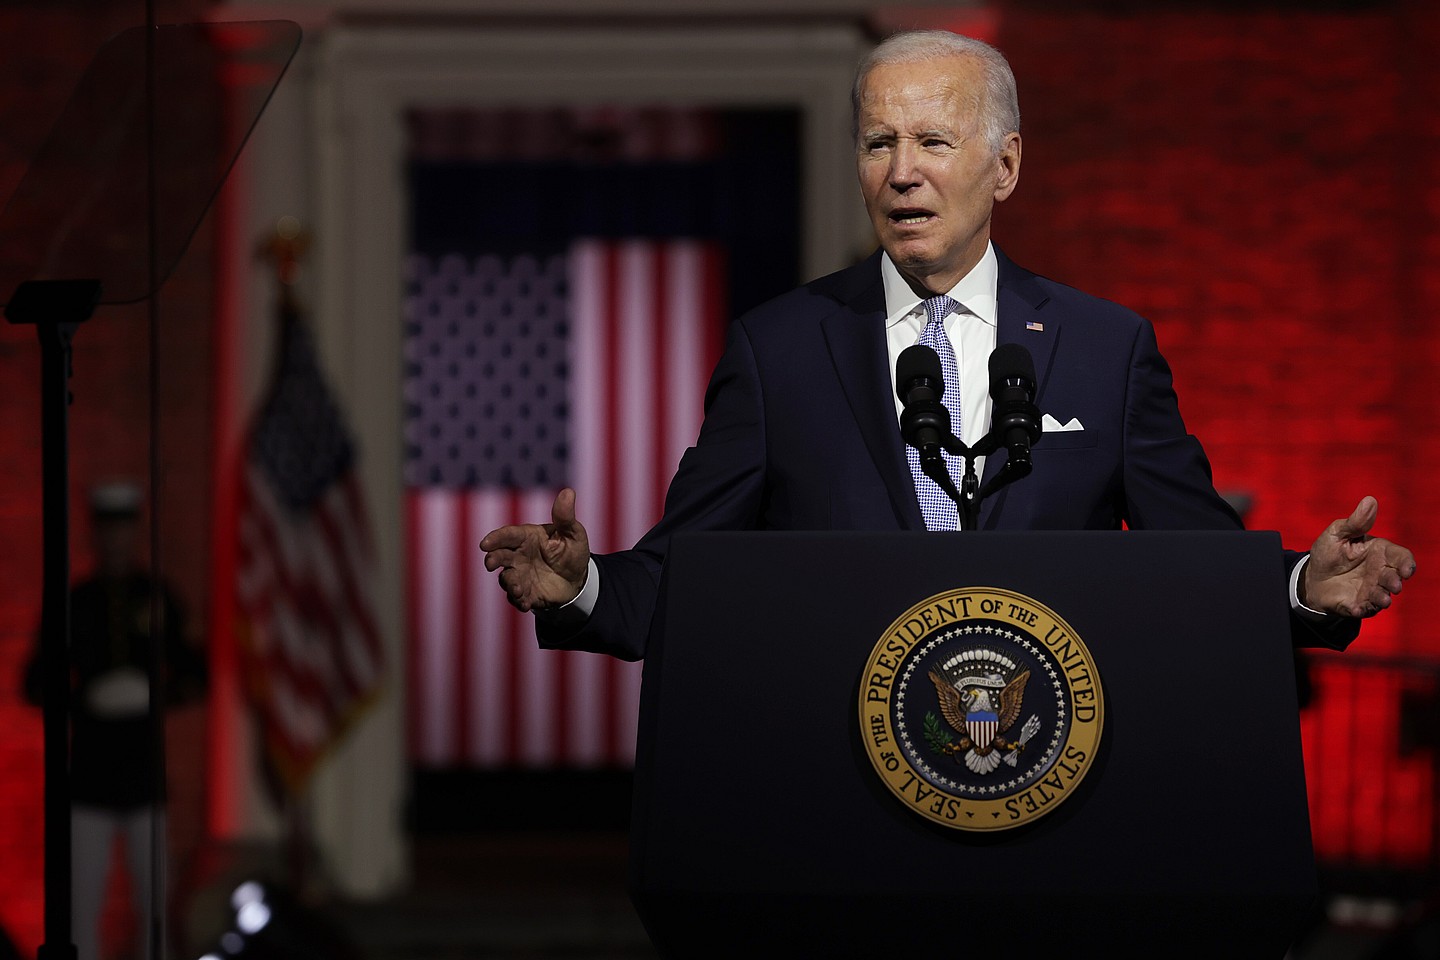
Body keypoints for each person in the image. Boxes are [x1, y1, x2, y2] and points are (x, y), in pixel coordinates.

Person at [480, 30, 1415, 662]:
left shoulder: (1105, 347)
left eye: (933, 139)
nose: (902, 173)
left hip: (1051, 782)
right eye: (878, 142)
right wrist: (583, 587)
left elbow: (1195, 559)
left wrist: (1301, 585)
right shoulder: (780, 350)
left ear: (1004, 165)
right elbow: (682, 581)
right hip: (845, 792)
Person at [22, 481, 207, 960]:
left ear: (136, 532)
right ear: (96, 535)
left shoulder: (157, 595)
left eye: (123, 529)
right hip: (88, 777)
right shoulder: (75, 601)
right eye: (107, 529)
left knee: (155, 908)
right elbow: (35, 682)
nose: (116, 540)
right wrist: (86, 697)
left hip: (144, 776)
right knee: (81, 907)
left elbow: (193, 672)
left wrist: (156, 694)